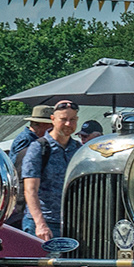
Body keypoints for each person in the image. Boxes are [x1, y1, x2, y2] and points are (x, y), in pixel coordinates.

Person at [22, 102, 83, 242]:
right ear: (53, 119)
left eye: (72, 119)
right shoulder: (38, 148)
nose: (68, 124)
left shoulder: (78, 149)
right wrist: (40, 224)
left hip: (72, 225)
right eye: (63, 119)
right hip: (44, 225)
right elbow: (30, 190)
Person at [7, 106, 54, 172]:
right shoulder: (26, 139)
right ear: (43, 125)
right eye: (51, 125)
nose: (52, 129)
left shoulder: (31, 138)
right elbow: (18, 164)